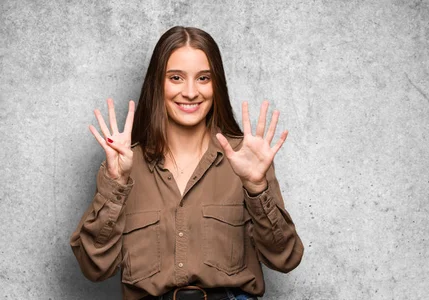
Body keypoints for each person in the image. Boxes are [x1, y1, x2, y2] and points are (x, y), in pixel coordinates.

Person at [70, 26, 303, 300]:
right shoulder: (122, 164)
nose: (191, 92)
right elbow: (93, 267)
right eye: (176, 78)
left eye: (203, 78)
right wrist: (116, 185)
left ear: (217, 84)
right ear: (158, 83)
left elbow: (285, 259)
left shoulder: (246, 159)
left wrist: (256, 187)